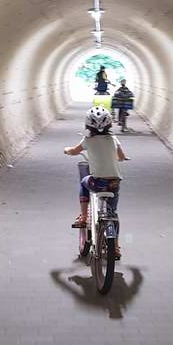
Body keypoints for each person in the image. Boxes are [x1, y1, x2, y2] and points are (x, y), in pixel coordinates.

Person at [64, 106, 128, 258]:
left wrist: (67, 150)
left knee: (84, 182)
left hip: (97, 182)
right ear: (109, 124)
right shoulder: (113, 139)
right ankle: (116, 247)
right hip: (114, 183)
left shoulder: (88, 140)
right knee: (113, 214)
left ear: (88, 125)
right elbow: (121, 156)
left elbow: (74, 151)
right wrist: (121, 158)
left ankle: (84, 216)